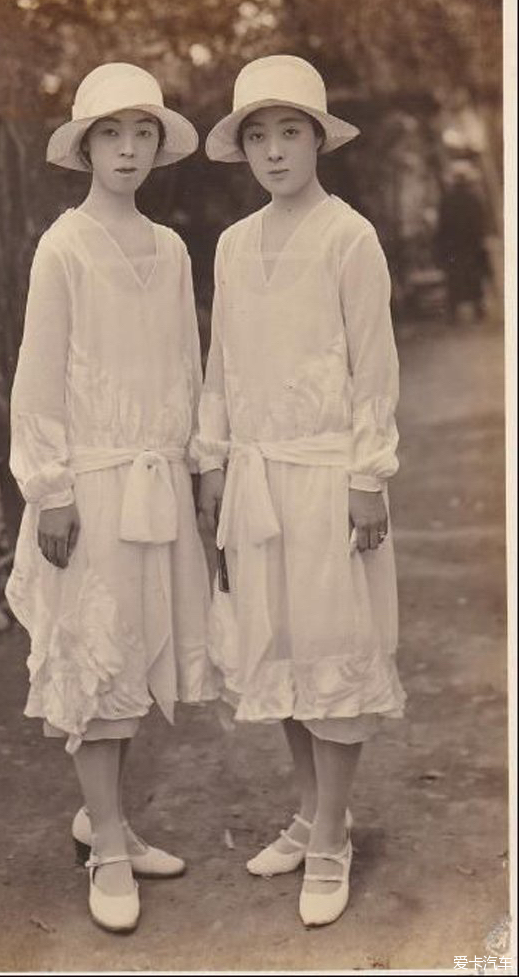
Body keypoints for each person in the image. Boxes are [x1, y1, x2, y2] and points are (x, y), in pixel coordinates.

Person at [5, 63, 217, 933]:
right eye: (110, 135)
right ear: (85, 147)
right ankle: (109, 847)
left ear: (157, 148)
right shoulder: (63, 246)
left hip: (157, 480)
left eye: (141, 135)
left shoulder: (168, 249)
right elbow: (39, 376)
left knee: (135, 651)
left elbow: (187, 367)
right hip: (88, 482)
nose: (127, 150)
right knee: (95, 658)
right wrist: (50, 489)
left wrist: (200, 468)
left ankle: (108, 820)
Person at [194, 55, 406, 927]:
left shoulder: (349, 235)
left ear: (319, 139)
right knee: (276, 652)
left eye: (290, 132)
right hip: (255, 477)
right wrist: (211, 464)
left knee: (332, 649)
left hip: (327, 475)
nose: (274, 152)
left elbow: (375, 369)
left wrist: (367, 478)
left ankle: (331, 841)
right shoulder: (235, 244)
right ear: (242, 148)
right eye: (258, 135)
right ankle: (314, 810)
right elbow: (222, 365)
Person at [436, 160, 489, 322]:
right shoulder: (472, 199)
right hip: (467, 243)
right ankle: (475, 309)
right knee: (470, 276)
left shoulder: (449, 200)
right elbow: (480, 222)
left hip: (457, 244)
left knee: (458, 276)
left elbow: (443, 225)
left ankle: (457, 311)